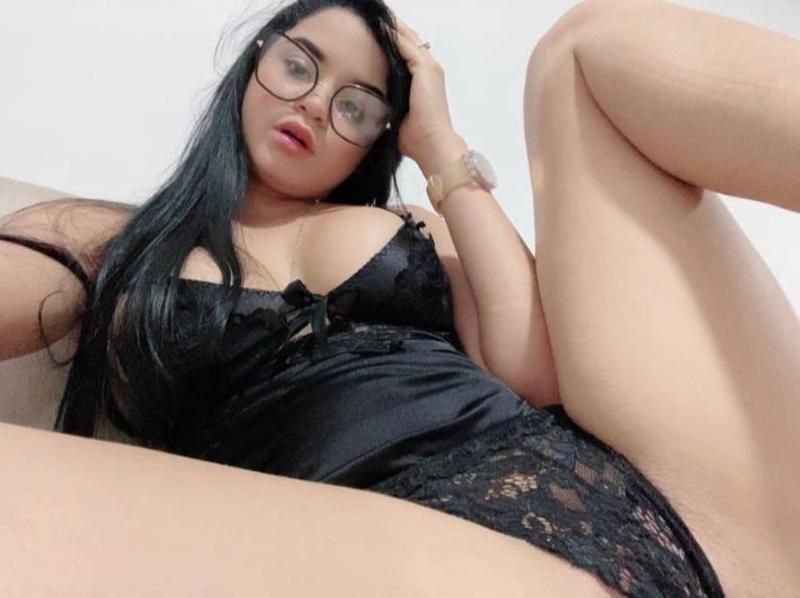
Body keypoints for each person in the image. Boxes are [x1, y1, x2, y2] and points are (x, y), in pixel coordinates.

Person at [1, 0, 798, 595]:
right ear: (253, 66)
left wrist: (437, 144)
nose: (317, 104)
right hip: (438, 546)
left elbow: (535, 370)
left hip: (681, 511)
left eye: (357, 105)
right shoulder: (107, 234)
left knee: (586, 47)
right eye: (299, 66)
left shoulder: (420, 221)